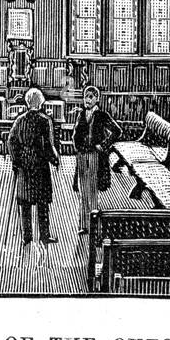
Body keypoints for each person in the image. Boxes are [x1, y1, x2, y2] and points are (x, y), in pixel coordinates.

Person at [6, 87, 60, 248]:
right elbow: (49, 145)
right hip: (40, 164)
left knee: (25, 202)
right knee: (42, 202)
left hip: (24, 164)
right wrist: (55, 159)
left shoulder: (20, 120)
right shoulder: (45, 120)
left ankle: (27, 237)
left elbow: (11, 141)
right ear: (41, 102)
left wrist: (16, 161)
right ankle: (44, 236)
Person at [72, 85, 121, 235]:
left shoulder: (101, 115)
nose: (87, 100)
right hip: (82, 155)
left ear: (97, 99)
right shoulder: (81, 114)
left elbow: (117, 131)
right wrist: (77, 146)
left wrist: (103, 145)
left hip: (95, 156)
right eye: (86, 97)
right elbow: (76, 133)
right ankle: (83, 225)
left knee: (92, 190)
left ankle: (93, 226)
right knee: (82, 190)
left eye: (91, 97)